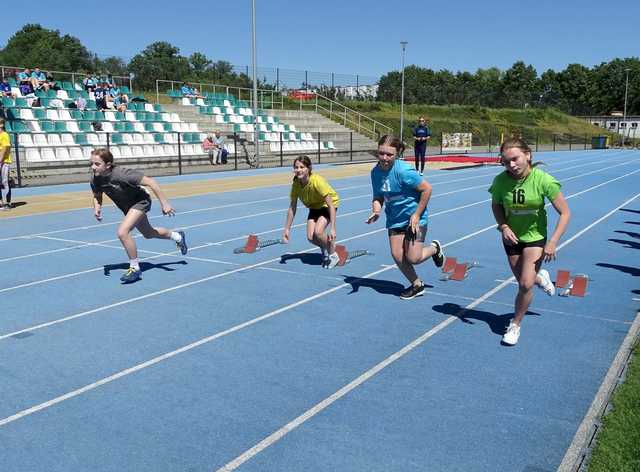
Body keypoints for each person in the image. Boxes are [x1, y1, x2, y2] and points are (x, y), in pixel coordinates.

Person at [489, 137, 570, 346]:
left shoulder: (544, 180)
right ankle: (541, 277)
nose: (511, 165)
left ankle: (515, 324)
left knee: (525, 284)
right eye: (506, 162)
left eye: (515, 159)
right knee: (524, 280)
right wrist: (503, 226)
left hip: (535, 238)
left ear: (528, 155)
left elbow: (565, 213)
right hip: (511, 237)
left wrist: (552, 242)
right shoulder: (500, 181)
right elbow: (496, 205)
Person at [90, 148, 188, 283]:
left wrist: (165, 204)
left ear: (108, 165)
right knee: (148, 233)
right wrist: (97, 207)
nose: (93, 167)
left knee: (122, 232)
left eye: (97, 164)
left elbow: (151, 182)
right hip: (128, 207)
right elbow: (97, 194)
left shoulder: (122, 174)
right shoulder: (96, 178)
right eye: (91, 163)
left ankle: (135, 268)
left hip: (140, 201)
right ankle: (177, 236)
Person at [366, 134, 444, 300]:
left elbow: (427, 189)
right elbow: (378, 196)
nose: (385, 158)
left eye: (389, 154)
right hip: (394, 219)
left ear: (397, 154)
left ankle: (434, 249)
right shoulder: (375, 173)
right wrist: (376, 210)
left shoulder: (403, 171)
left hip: (415, 219)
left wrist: (416, 215)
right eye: (381, 153)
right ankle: (417, 284)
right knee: (397, 255)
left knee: (413, 258)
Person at [282, 155, 341, 268]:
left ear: (309, 168)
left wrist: (333, 228)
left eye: (302, 167)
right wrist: (287, 229)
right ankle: (325, 247)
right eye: (296, 167)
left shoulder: (317, 181)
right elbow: (292, 207)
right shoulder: (296, 184)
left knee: (318, 232)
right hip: (314, 207)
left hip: (327, 205)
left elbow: (330, 205)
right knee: (311, 237)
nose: (298, 170)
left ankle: (333, 254)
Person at [0, 118, 12, 210]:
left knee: (5, 182)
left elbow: (5, 149)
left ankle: (8, 203)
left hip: (4, 161)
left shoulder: (4, 135)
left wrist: (0, 160)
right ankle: (1, 202)